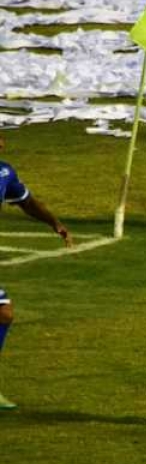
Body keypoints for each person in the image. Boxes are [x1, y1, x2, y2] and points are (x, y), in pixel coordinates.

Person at [0, 137, 73, 410]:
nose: (2, 143)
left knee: (3, 312)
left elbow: (26, 202)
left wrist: (55, 223)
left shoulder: (4, 172)